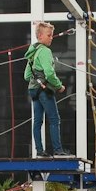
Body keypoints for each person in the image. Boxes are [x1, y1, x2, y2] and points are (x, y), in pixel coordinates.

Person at [24, 23, 65, 156]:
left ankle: (40, 150)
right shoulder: (46, 51)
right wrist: (59, 86)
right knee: (54, 119)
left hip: (34, 90)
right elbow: (49, 73)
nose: (51, 38)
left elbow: (27, 76)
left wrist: (36, 80)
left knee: (37, 121)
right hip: (44, 90)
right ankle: (58, 150)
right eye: (49, 35)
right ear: (40, 35)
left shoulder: (33, 52)